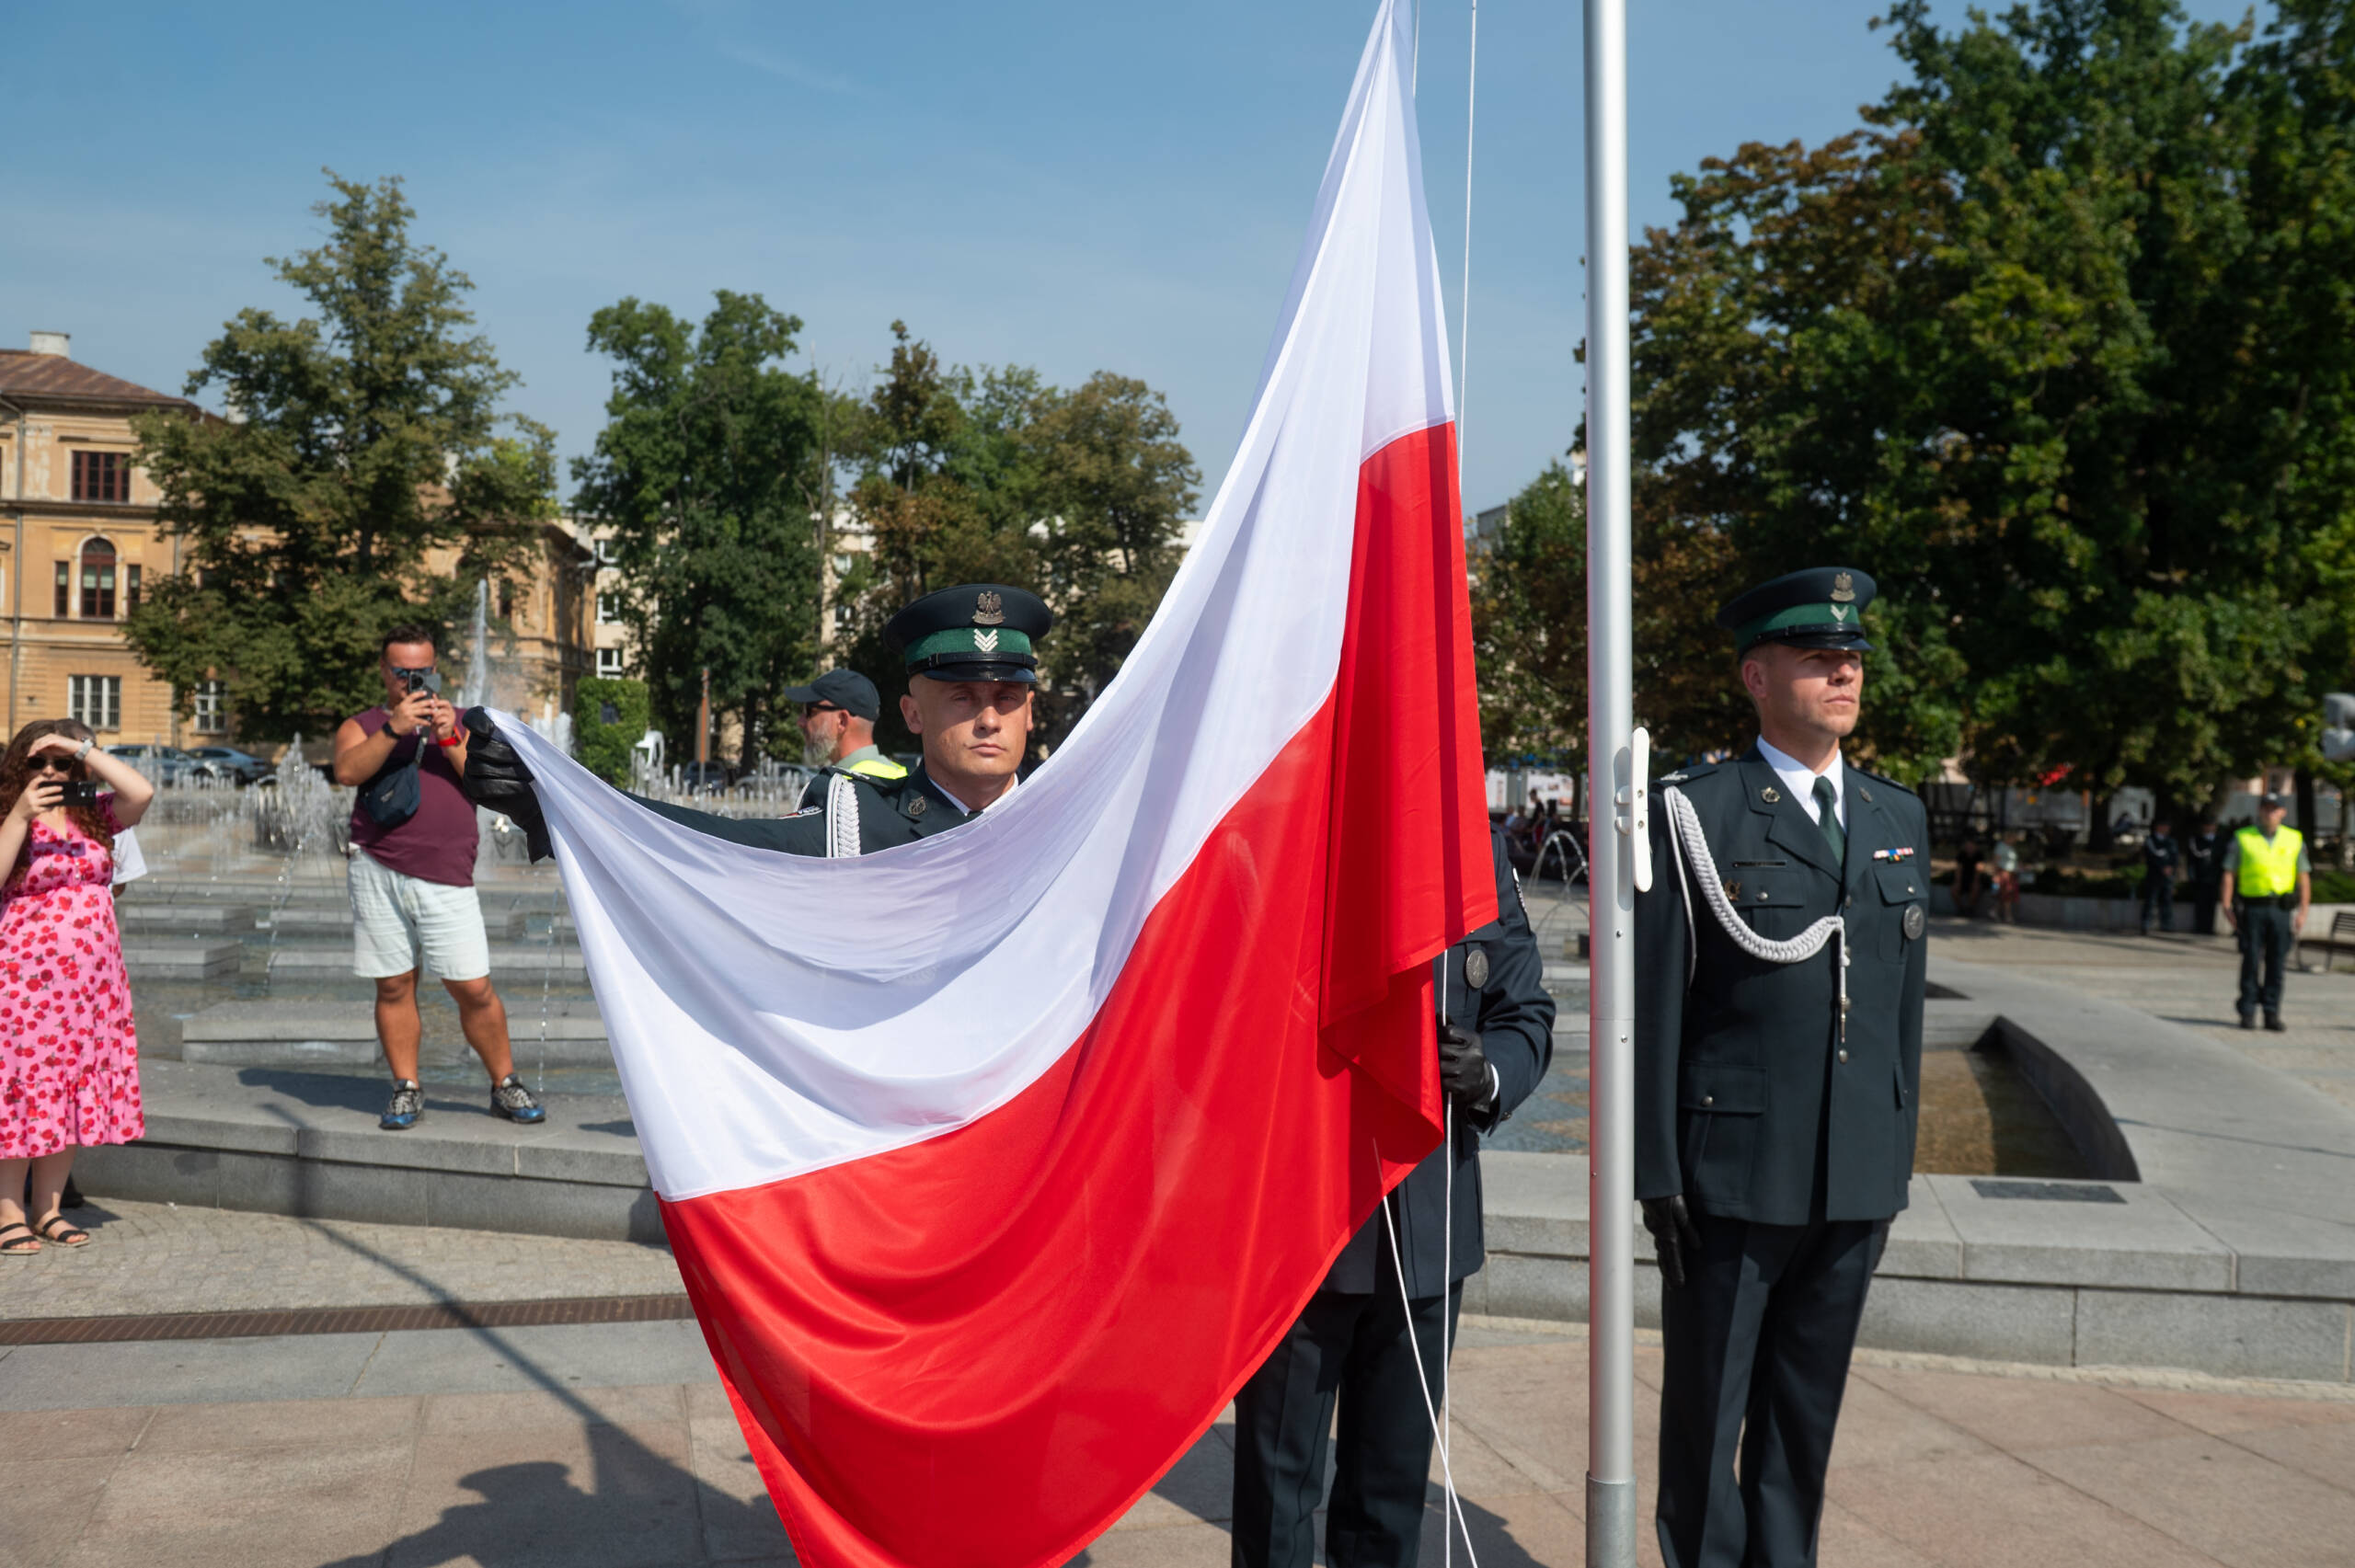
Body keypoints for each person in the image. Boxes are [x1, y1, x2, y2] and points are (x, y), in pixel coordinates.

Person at [1634, 567, 1928, 1568]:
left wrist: (1892, 1156)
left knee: (1805, 1416)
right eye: (1817, 657)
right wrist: (1657, 1168)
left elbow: (1900, 1015)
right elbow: (1658, 1001)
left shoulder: (1896, 818)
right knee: (1707, 1413)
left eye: (1852, 658)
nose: (1844, 672)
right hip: (1732, 1171)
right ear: (1756, 676)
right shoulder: (1698, 811)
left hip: (1853, 1174)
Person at [1230, 828, 1554, 1568]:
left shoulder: (1468, 843)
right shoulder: (1279, 826)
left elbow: (1524, 1008)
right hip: (1300, 1225)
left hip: (1426, 1225)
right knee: (1275, 1504)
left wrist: (1488, 1071)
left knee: (1388, 1505)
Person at [460, 584, 1054, 864]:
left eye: (1007, 697)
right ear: (913, 713)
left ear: (1030, 712)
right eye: (962, 697)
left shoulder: (1072, 828)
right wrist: (559, 797)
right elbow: (718, 843)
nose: (988, 718)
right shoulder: (859, 826)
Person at [333, 625, 545, 1130]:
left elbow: (485, 782)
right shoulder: (363, 724)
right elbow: (347, 772)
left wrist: (448, 734)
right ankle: (406, 1087)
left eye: (423, 672)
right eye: (402, 672)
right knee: (393, 984)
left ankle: (505, 1083)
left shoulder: (462, 721)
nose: (412, 681)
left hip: (447, 874)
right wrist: (394, 729)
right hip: (377, 866)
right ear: (384, 672)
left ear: (435, 670)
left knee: (473, 987)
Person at [0, 718, 155, 1255]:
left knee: (69, 1091)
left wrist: (81, 747)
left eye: (60, 763)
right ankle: (8, 1212)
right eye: (37, 762)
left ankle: (48, 1210)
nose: (49, 771)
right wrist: (20, 814)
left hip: (92, 987)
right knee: (23, 1088)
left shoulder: (95, 816)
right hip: (25, 981)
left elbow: (142, 792)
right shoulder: (8, 814)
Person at [2223, 793, 2310, 1032]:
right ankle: (2248, 1011)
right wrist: (2226, 904)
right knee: (2251, 959)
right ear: (2260, 811)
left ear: (2283, 812)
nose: (2270, 813)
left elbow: (2303, 877)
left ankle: (2271, 1012)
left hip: (2281, 909)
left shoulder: (2294, 839)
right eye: (2266, 808)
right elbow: (2229, 872)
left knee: (2277, 962)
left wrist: (2303, 911)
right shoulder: (2243, 837)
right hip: (2252, 908)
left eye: (2274, 809)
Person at [785, 668, 908, 808]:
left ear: (841, 721)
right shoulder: (902, 778)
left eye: (809, 711)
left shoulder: (837, 792)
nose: (800, 722)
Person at [2185, 818, 2224, 935]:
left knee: (2211, 905)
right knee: (2200, 904)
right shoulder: (2196, 840)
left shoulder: (2219, 841)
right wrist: (2192, 876)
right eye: (2207, 825)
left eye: (2212, 825)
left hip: (2214, 877)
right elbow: (2191, 861)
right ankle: (2199, 927)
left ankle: (2209, 928)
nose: (2209, 828)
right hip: (2200, 877)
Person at [2141, 818, 2180, 934]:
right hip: (2154, 875)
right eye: (2164, 826)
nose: (2166, 829)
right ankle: (2146, 924)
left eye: (2167, 826)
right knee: (2150, 901)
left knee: (2167, 901)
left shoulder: (2171, 841)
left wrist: (2171, 868)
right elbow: (2151, 857)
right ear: (2158, 827)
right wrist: (2162, 867)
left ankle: (2167, 924)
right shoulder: (2150, 840)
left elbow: (2175, 857)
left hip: (2168, 877)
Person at [1991, 832, 2021, 923]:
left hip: (2011, 874)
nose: (2015, 840)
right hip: (2003, 873)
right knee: (2007, 894)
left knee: (2005, 895)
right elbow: (1995, 861)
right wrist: (1995, 875)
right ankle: (2007, 915)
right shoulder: (2001, 846)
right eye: (2013, 838)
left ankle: (1995, 911)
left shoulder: (2010, 847)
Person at [1952, 834, 1984, 918]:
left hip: (1974, 879)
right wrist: (1958, 882)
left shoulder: (1979, 855)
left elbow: (1979, 869)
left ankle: (1970, 909)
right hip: (1963, 879)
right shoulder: (1962, 854)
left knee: (1975, 888)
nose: (1969, 848)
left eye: (1971, 846)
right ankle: (1961, 909)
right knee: (1954, 890)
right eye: (1967, 846)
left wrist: (1975, 881)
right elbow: (1958, 870)